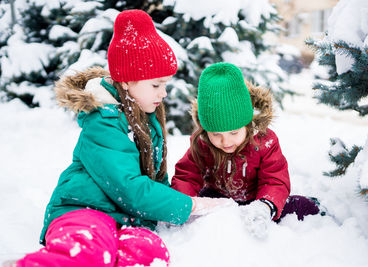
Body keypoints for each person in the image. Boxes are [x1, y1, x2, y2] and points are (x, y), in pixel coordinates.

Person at [11, 10, 227, 267]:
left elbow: (154, 182)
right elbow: (131, 189)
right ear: (126, 81)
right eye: (156, 85)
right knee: (89, 251)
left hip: (127, 217)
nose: (165, 93)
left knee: (149, 254)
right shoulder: (103, 122)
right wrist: (190, 205)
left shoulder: (146, 119)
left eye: (165, 84)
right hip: (86, 211)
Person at [171, 62, 320, 238]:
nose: (225, 141)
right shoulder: (203, 143)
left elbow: (275, 179)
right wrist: (183, 203)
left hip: (256, 199)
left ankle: (319, 212)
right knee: (199, 206)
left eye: (234, 132)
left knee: (297, 205)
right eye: (216, 134)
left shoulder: (264, 142)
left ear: (247, 124)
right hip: (218, 200)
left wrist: (265, 206)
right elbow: (187, 175)